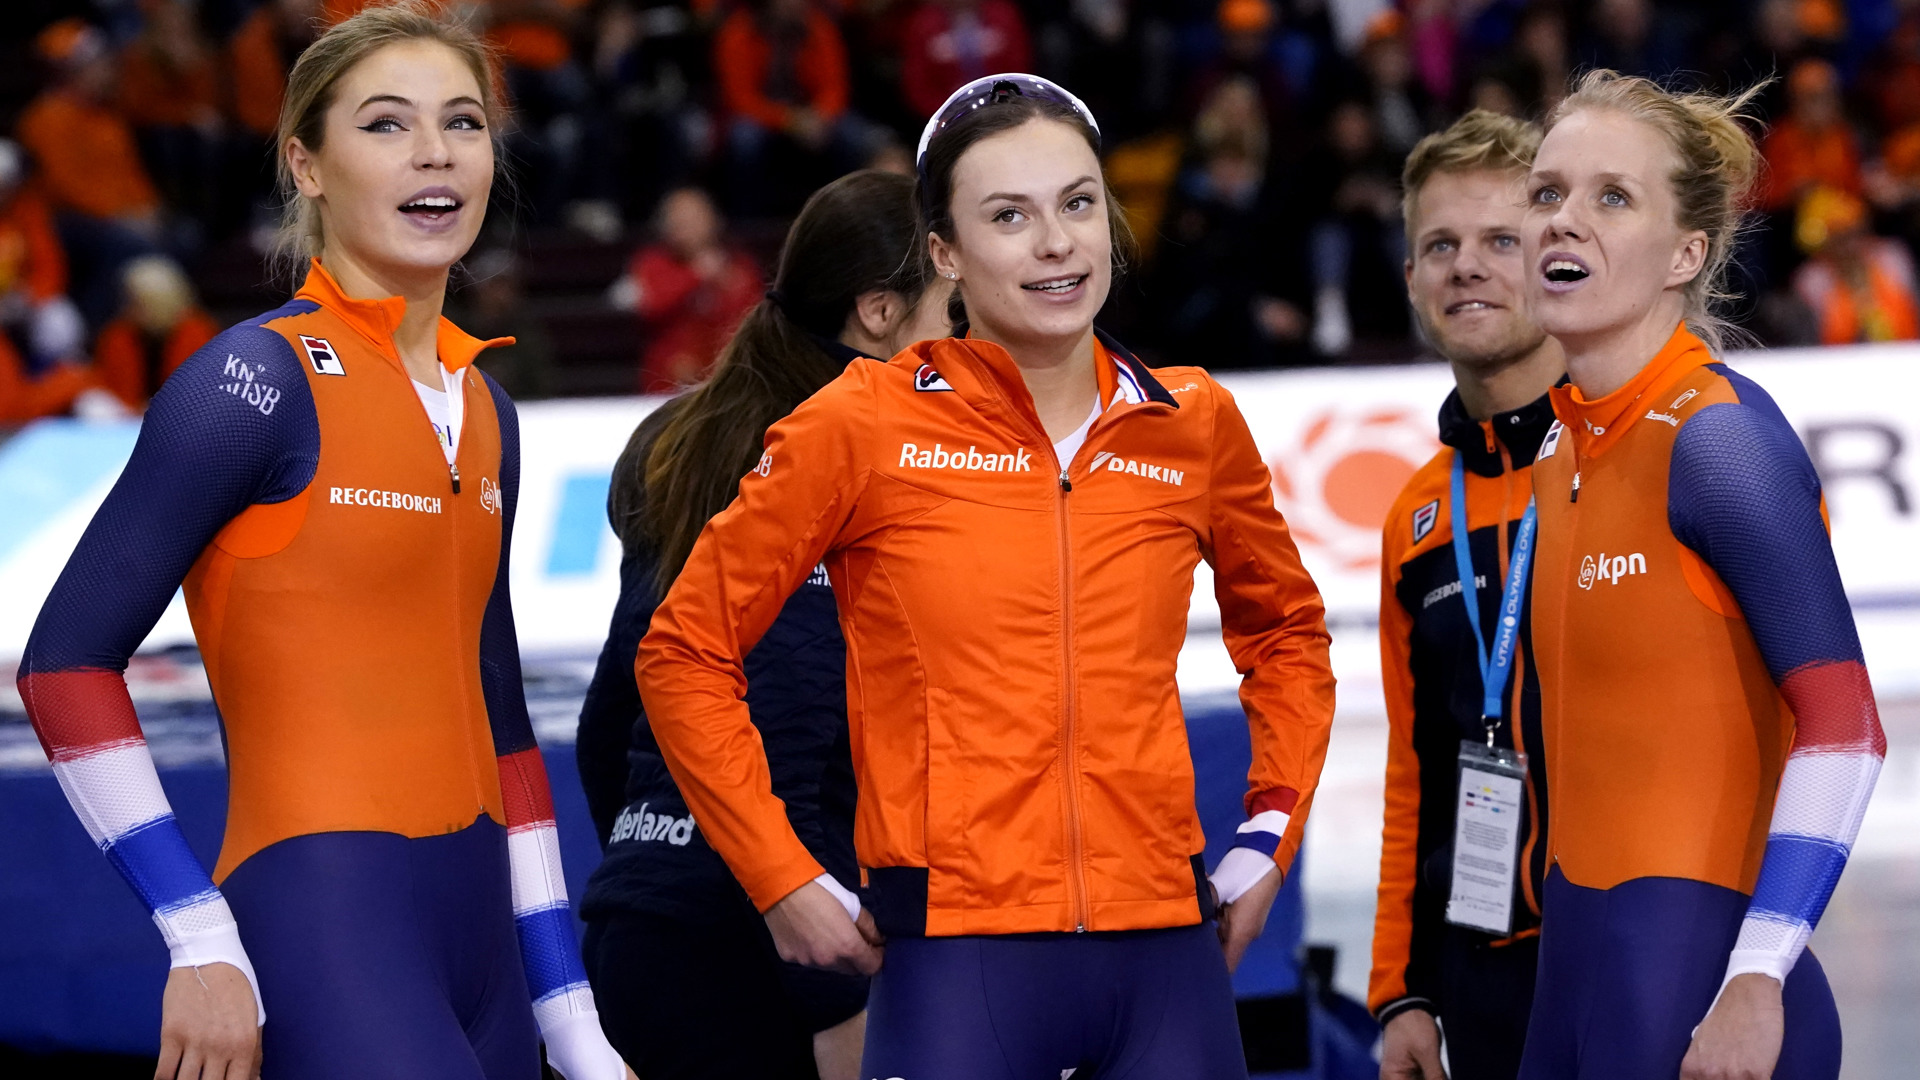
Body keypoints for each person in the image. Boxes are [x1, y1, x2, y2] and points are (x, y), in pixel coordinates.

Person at [634, 73, 1336, 1078]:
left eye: (1078, 203)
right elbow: (685, 650)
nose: (1056, 242)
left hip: (1168, 948)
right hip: (953, 959)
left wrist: (1268, 834)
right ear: (945, 255)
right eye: (1009, 216)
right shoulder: (864, 422)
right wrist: (777, 871)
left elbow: (1289, 639)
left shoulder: (1193, 423)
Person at [14, 6, 628, 1079]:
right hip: (327, 920)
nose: (435, 151)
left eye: (464, 123)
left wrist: (567, 1011)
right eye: (386, 125)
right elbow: (64, 664)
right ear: (306, 162)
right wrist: (197, 936)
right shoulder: (250, 385)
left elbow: (506, 725)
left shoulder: (488, 408)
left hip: (486, 938)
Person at [1517, 70, 1884, 1080]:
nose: (1564, 222)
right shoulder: (1560, 452)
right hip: (1580, 978)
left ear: (1687, 254)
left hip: (1704, 1000)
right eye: (1548, 193)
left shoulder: (1719, 445)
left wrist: (1759, 976)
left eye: (1611, 197)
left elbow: (1848, 729)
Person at [575, 169, 950, 1080]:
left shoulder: (681, 435)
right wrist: (835, 998)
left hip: (649, 920)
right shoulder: (827, 454)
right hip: (768, 953)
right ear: (879, 313)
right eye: (954, 305)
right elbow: (789, 719)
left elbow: (610, 723)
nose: (970, 336)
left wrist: (645, 879)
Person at [1369, 110, 1564, 1080]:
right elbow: (1415, 770)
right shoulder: (1416, 517)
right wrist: (1399, 989)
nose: (1466, 267)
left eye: (1501, 241)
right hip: (1479, 973)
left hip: (1647, 951)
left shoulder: (1656, 457)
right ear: (1411, 279)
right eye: (1439, 245)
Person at [607, 186, 763, 393]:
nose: (684, 224)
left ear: (713, 219)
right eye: (677, 217)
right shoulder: (651, 263)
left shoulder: (739, 266)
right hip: (664, 382)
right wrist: (696, 276)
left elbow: (751, 318)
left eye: (693, 217)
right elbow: (652, 308)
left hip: (727, 378)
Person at [92, 255, 220, 409]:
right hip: (127, 415)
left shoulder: (197, 332)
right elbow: (110, 387)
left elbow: (200, 388)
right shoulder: (118, 334)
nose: (128, 307)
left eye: (136, 301)